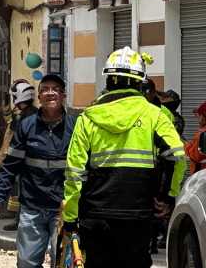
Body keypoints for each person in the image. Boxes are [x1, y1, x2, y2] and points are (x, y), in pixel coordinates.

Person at [63, 47, 187, 268]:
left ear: (109, 80)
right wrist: (168, 196)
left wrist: (70, 217)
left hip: (95, 216)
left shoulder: (88, 117)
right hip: (138, 217)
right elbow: (177, 156)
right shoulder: (154, 115)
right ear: (140, 83)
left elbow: (74, 172)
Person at [0, 74, 75, 268]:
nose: (50, 93)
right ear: (39, 96)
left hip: (63, 209)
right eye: (45, 89)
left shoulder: (75, 127)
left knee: (62, 261)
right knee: (27, 262)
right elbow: (11, 165)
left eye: (55, 89)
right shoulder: (27, 126)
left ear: (63, 95)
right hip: (32, 208)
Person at [0, 80, 39, 231]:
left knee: (24, 191)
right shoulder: (32, 113)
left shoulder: (25, 117)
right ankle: (19, 219)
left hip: (24, 159)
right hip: (28, 159)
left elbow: (16, 133)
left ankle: (20, 219)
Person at [186, 102, 206, 174]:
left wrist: (186, 146)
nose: (197, 118)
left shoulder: (202, 133)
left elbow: (196, 156)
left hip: (201, 174)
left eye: (199, 115)